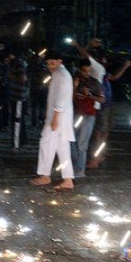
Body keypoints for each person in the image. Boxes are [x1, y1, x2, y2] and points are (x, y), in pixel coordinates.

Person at [30, 50, 75, 191]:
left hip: (58, 118)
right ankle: (68, 180)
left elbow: (62, 98)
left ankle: (45, 175)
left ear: (60, 61)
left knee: (46, 144)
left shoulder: (62, 75)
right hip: (59, 117)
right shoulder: (59, 74)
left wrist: (55, 117)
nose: (50, 66)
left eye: (52, 62)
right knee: (63, 149)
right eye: (48, 63)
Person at [87, 59, 131, 169]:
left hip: (107, 106)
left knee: (104, 133)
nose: (105, 64)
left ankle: (100, 154)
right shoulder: (96, 75)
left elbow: (115, 77)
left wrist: (125, 66)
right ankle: (95, 159)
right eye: (102, 62)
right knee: (98, 134)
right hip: (101, 107)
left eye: (105, 62)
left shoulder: (104, 74)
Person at [71, 59, 105, 177]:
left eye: (89, 71)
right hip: (77, 114)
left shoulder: (94, 82)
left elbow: (102, 99)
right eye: (85, 71)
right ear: (80, 70)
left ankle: (80, 170)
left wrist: (90, 94)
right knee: (71, 140)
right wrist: (75, 87)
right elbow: (72, 98)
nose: (87, 73)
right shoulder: (76, 81)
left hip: (89, 115)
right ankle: (77, 165)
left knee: (82, 143)